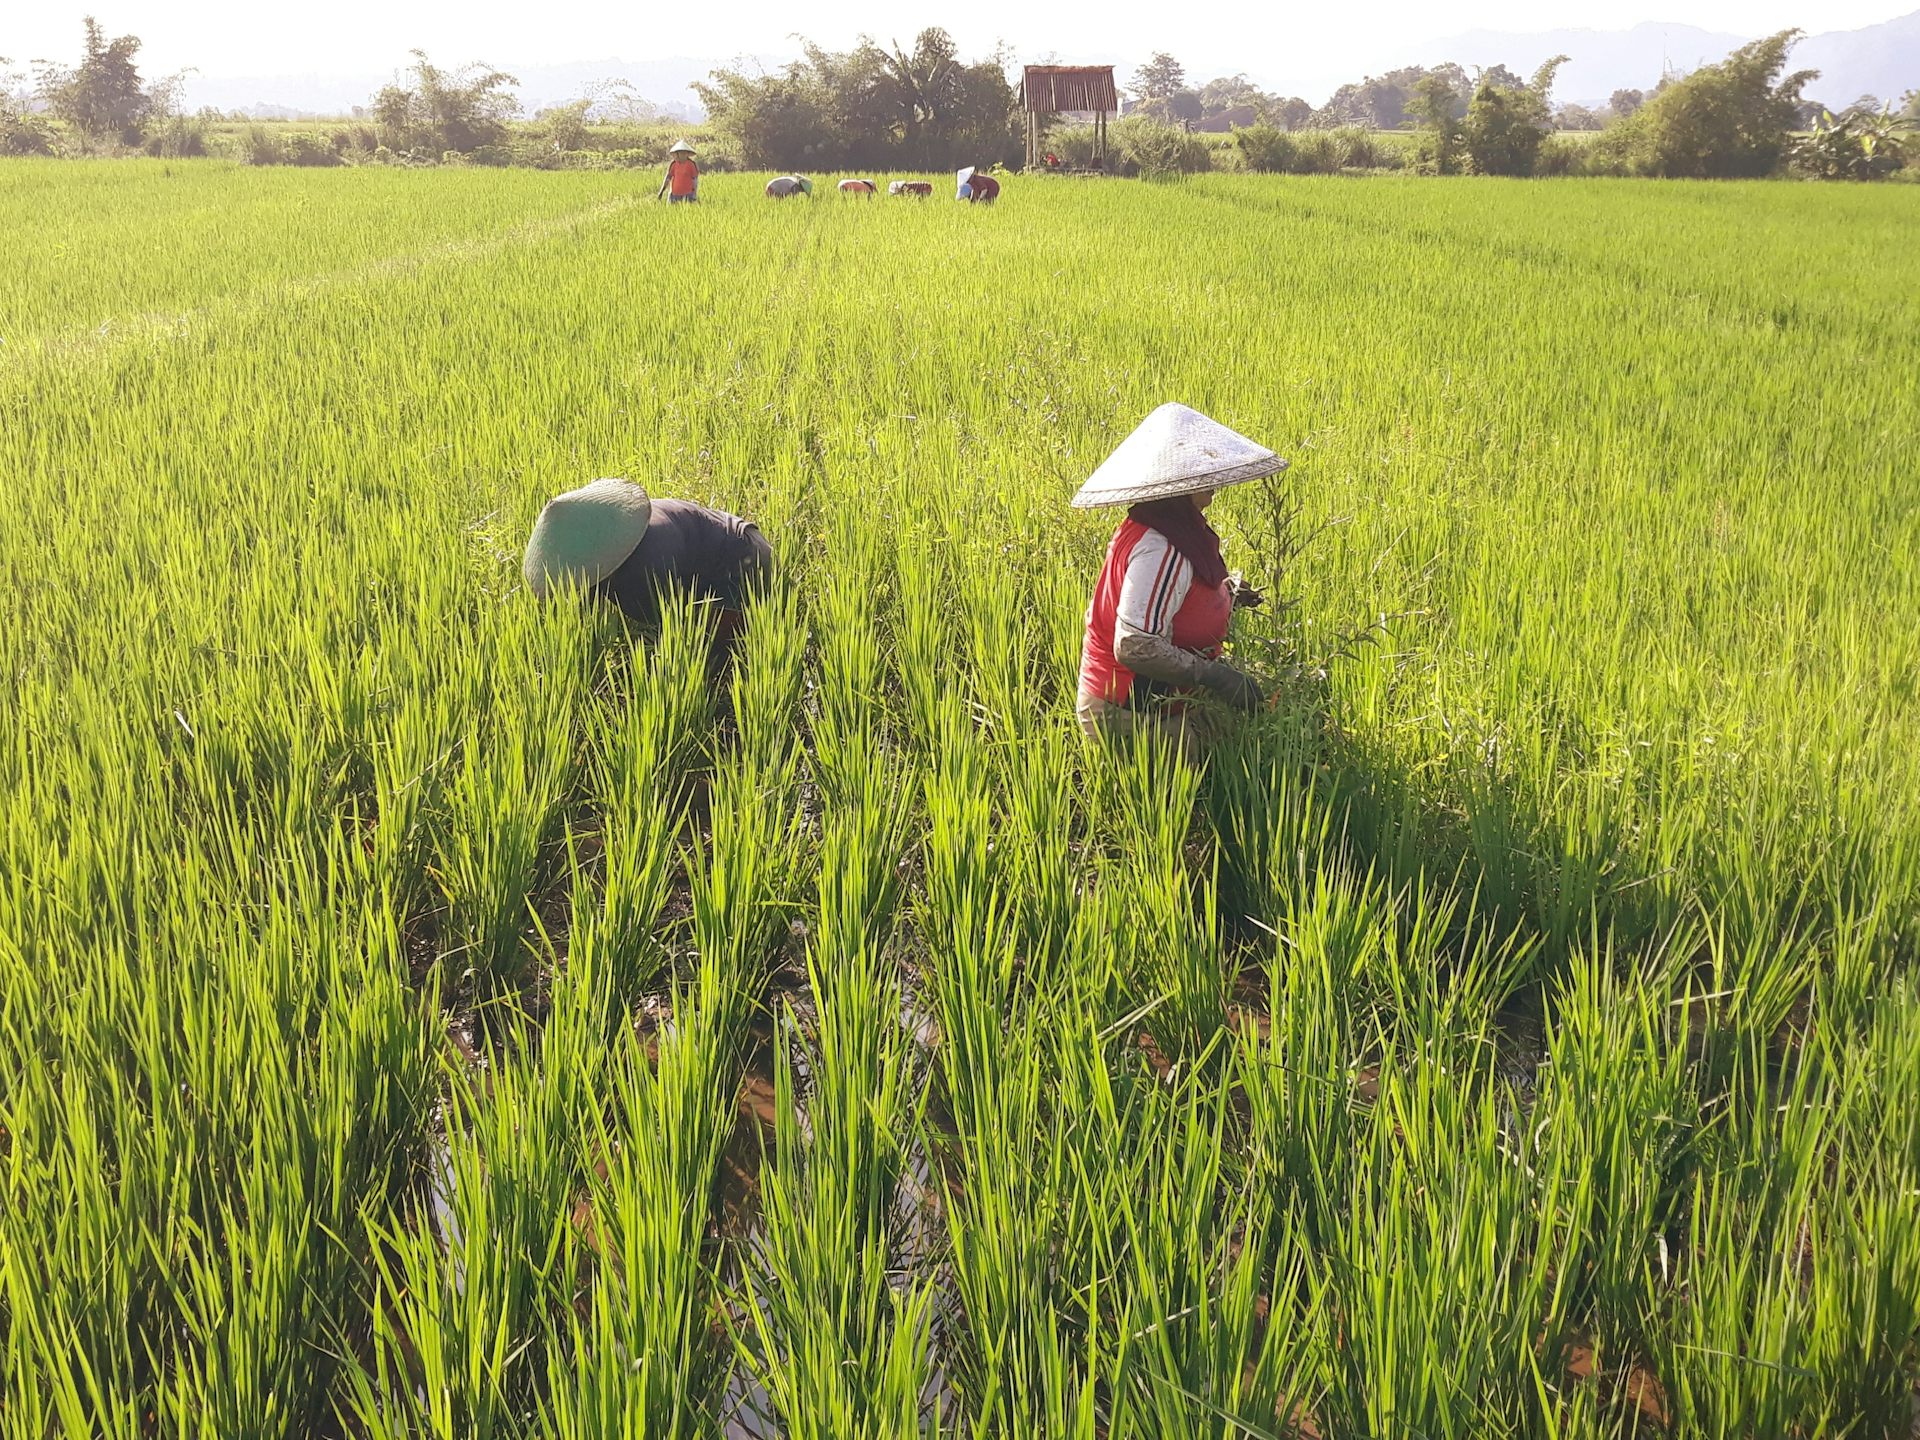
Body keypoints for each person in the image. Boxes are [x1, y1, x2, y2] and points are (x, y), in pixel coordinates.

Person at [1073, 403, 1286, 759]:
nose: (1213, 484)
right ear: (1175, 486)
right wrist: (1217, 677)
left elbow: (1177, 597)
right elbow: (1135, 644)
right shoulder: (1160, 546)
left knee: (1253, 730)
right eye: (1199, 473)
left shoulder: (1170, 528)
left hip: (1166, 698)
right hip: (1128, 711)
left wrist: (1227, 592)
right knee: (1224, 767)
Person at [523, 478, 774, 656]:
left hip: (748, 561)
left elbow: (668, 631)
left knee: (705, 646)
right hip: (725, 546)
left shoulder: (642, 568)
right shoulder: (615, 528)